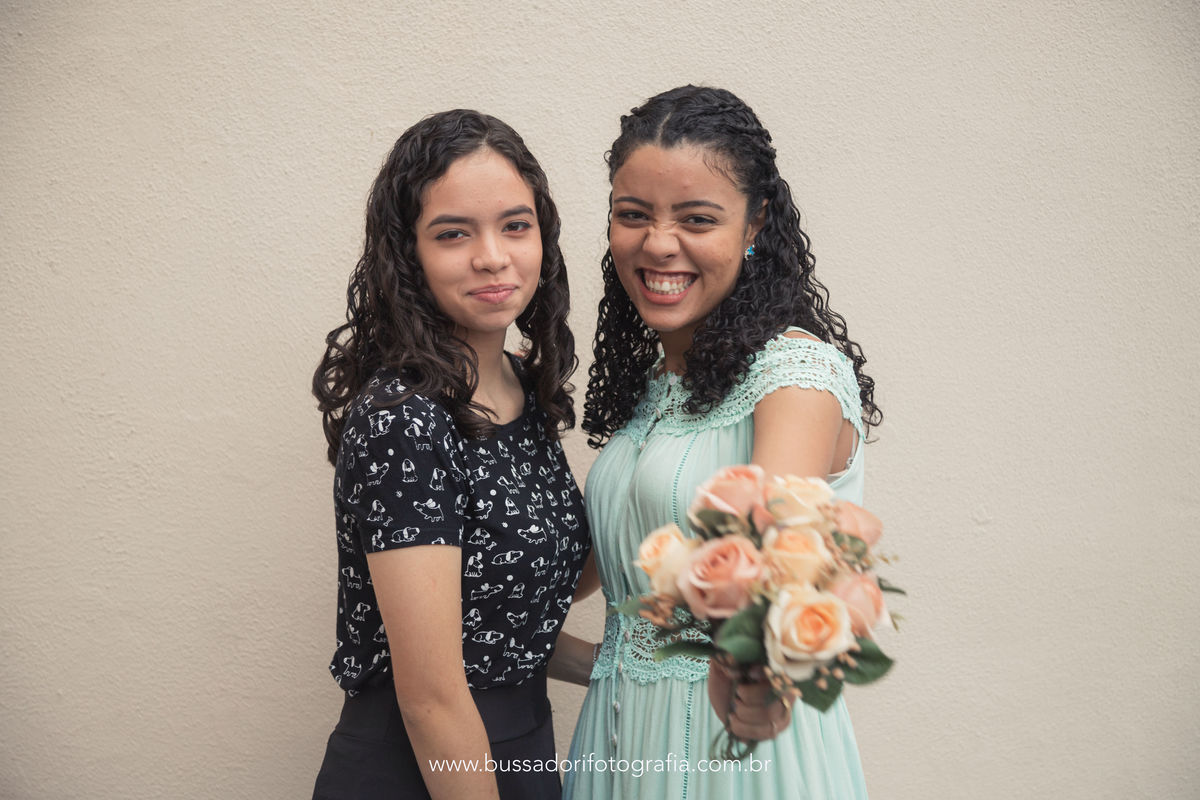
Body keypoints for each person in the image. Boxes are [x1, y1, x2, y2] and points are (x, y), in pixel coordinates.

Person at [563, 86, 883, 799]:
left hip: (731, 759)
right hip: (616, 745)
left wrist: (762, 683)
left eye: (697, 219)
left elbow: (773, 574)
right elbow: (595, 579)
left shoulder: (794, 376)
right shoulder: (654, 387)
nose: (658, 243)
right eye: (633, 214)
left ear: (755, 224)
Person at [311, 109, 597, 800]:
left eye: (515, 225)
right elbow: (433, 697)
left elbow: (501, 620)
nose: (492, 256)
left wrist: (641, 668)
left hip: (521, 752)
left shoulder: (522, 387)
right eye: (453, 233)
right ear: (408, 256)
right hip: (421, 768)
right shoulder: (404, 420)